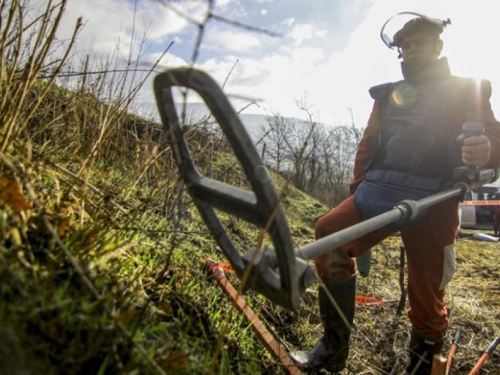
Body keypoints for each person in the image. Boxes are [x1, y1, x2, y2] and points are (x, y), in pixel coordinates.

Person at [291, 13, 500, 374]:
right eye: (405, 46)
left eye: (419, 43)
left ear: (438, 46)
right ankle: (333, 350)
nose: (411, 50)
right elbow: (367, 148)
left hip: (435, 198)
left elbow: (494, 139)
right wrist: (358, 192)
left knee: (426, 291)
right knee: (329, 233)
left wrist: (487, 150)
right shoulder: (387, 96)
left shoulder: (469, 90)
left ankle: (420, 366)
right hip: (379, 189)